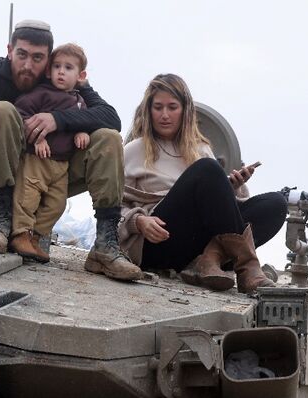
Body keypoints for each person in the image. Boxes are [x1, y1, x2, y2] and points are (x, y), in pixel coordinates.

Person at [0, 20, 142, 281]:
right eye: (22, 54)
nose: (28, 65)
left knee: (108, 138)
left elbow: (111, 119)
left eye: (37, 58)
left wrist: (58, 119)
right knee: (2, 110)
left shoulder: (61, 80)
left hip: (49, 176)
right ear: (10, 51)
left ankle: (105, 244)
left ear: (48, 60)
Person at [120, 74, 286, 292]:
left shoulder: (200, 149)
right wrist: (138, 221)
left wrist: (231, 188)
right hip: (158, 240)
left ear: (185, 110)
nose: (165, 115)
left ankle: (209, 259)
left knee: (275, 204)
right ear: (148, 110)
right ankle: (247, 268)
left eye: (172, 107)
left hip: (197, 243)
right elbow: (110, 207)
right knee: (207, 169)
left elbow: (218, 209)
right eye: (158, 107)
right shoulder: (134, 150)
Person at [8, 43, 91, 262]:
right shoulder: (41, 93)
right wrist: (38, 138)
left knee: (57, 204)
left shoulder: (81, 102)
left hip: (61, 165)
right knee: (27, 197)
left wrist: (82, 132)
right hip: (37, 159)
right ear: (48, 71)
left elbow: (85, 121)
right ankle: (20, 234)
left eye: (68, 68)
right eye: (57, 66)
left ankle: (36, 237)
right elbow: (20, 114)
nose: (61, 72)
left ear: (81, 75)